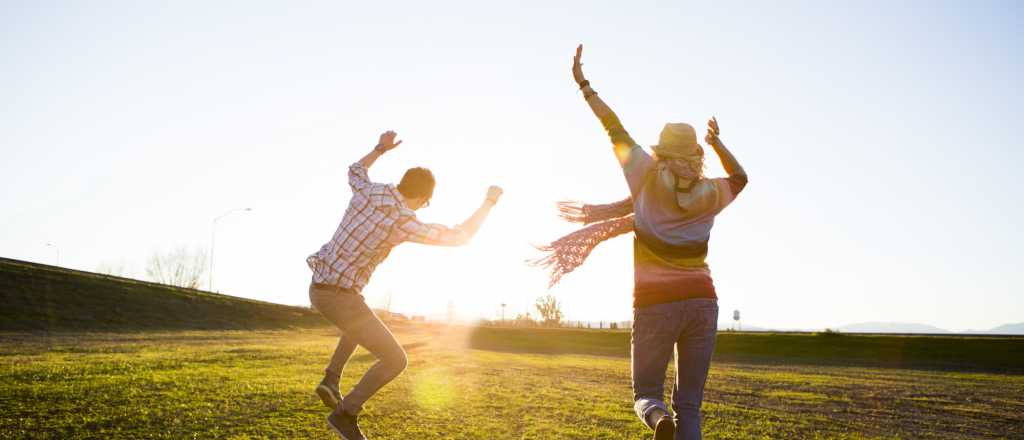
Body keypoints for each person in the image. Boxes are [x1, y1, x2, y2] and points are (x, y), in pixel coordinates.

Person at [531, 45, 748, 440]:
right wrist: (718, 144)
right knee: (690, 406)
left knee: (646, 394)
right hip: (703, 301)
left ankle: (656, 419)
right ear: (697, 156)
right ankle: (669, 419)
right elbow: (740, 178)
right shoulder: (711, 192)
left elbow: (611, 126)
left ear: (660, 152)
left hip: (654, 305)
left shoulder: (643, 174)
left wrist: (584, 85)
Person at [307, 130, 502, 440]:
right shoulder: (403, 219)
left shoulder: (369, 191)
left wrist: (380, 149)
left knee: (360, 317)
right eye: (424, 205)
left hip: (319, 287)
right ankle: (346, 414)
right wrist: (489, 203)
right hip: (339, 297)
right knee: (396, 359)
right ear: (423, 198)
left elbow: (354, 170)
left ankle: (331, 378)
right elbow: (457, 237)